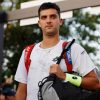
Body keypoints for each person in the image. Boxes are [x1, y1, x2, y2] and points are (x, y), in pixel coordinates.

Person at [15, 2, 100, 100]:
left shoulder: (73, 49)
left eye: (53, 17)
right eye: (44, 17)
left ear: (60, 21)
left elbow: (96, 83)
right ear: (39, 23)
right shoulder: (27, 52)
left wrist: (65, 76)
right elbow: (22, 90)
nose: (48, 21)